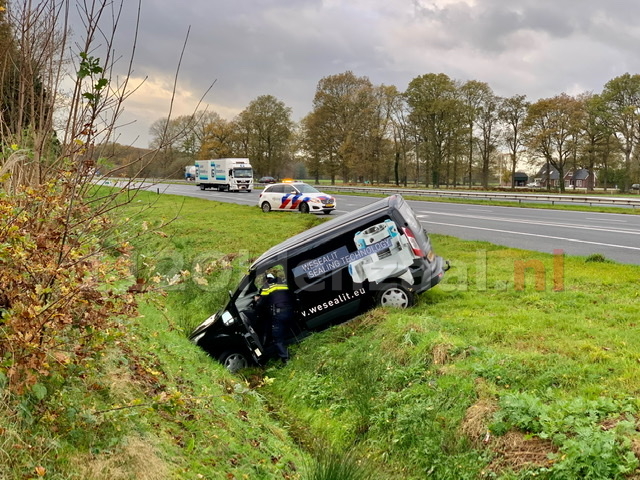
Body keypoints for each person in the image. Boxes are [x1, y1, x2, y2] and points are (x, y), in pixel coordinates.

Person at [254, 273, 294, 363]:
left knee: (277, 338)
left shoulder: (267, 287)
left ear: (267, 280)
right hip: (290, 310)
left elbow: (261, 303)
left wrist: (256, 300)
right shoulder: (282, 284)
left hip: (279, 314)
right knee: (287, 329)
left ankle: (286, 358)